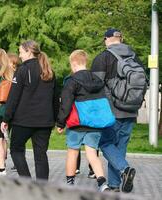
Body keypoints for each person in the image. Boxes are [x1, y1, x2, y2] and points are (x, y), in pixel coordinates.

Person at [91, 28, 141, 192]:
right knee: (120, 147)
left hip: (110, 111)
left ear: (106, 39)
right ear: (121, 38)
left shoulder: (102, 58)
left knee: (105, 143)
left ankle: (125, 169)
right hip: (131, 109)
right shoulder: (135, 57)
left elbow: (95, 87)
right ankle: (114, 185)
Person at [1, 40, 57, 180]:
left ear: (29, 51)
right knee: (41, 155)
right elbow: (56, 99)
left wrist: (6, 118)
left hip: (23, 121)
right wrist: (55, 119)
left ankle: (26, 182)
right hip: (45, 121)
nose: (20, 56)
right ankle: (42, 189)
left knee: (16, 150)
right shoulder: (49, 71)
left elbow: (13, 97)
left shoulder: (22, 70)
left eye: (20, 52)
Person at [56, 50, 109, 192]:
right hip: (95, 123)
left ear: (73, 63)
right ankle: (102, 183)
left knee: (73, 152)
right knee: (92, 153)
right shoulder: (97, 80)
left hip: (77, 124)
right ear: (85, 62)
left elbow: (65, 104)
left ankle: (70, 184)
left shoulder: (72, 81)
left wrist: (60, 123)